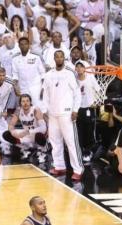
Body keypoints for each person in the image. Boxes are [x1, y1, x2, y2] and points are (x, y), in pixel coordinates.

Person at [40, 50, 83, 180]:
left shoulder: (70, 73)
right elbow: (45, 94)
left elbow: (77, 93)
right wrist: (44, 111)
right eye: (57, 57)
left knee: (71, 142)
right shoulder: (48, 75)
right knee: (55, 142)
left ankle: (78, 170)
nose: (59, 59)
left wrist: (75, 110)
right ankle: (59, 166)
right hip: (53, 114)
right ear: (54, 59)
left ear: (64, 58)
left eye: (61, 57)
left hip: (67, 113)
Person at [3, 94, 47, 163]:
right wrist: (13, 132)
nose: (25, 103)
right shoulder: (18, 110)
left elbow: (43, 128)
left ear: (30, 102)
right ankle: (25, 148)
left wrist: (29, 131)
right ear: (20, 103)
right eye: (23, 101)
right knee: (6, 134)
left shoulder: (35, 110)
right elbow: (11, 125)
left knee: (39, 135)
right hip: (27, 135)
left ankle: (42, 150)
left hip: (36, 134)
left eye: (27, 101)